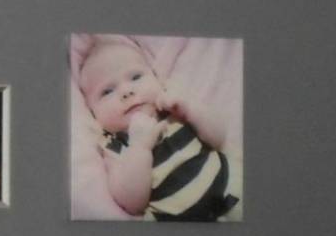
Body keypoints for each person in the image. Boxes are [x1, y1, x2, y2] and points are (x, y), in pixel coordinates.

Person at [76, 36, 237, 221]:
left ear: (156, 78)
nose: (127, 91)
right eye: (107, 91)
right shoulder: (115, 146)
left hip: (230, 186)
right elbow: (132, 203)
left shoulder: (173, 112)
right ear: (92, 112)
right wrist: (140, 147)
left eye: (136, 77)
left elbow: (218, 139)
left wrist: (191, 110)